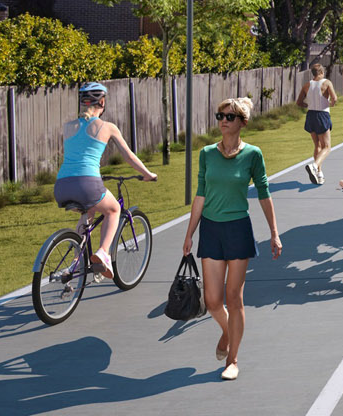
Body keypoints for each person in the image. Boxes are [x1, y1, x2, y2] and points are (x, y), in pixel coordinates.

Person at [182, 97, 282, 382]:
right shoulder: (206, 154)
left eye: (229, 116)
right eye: (220, 115)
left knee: (234, 299)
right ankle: (228, 332)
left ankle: (233, 359)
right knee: (212, 300)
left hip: (238, 229)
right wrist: (189, 233)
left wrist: (274, 233)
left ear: (242, 123)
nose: (223, 120)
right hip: (211, 230)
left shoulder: (253, 154)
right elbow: (200, 194)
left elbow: (264, 193)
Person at [54, 82, 158, 280]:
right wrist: (147, 173)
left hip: (62, 185)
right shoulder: (107, 127)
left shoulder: (68, 127)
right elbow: (129, 156)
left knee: (88, 212)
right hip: (87, 184)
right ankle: (103, 253)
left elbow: (78, 155)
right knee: (113, 210)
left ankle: (76, 261)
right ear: (102, 102)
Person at [297, 64, 338, 185]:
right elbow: (334, 98)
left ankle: (319, 174)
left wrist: (308, 105)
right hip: (322, 115)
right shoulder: (327, 83)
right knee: (327, 147)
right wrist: (331, 104)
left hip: (310, 115)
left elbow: (299, 102)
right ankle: (314, 166)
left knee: (317, 145)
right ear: (321, 72)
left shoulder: (306, 85)